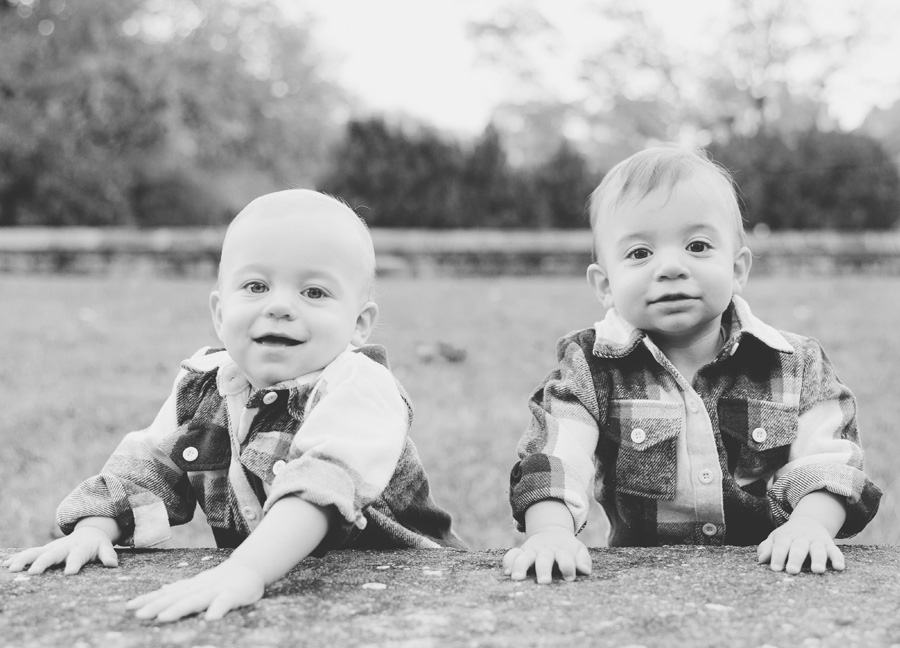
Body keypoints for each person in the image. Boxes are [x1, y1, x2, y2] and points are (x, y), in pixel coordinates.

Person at [4, 189, 464, 620]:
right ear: (221, 314)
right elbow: (146, 468)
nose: (281, 306)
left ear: (359, 324)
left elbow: (321, 487)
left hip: (403, 588)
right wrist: (92, 530)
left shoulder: (361, 387)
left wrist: (246, 569)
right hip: (283, 578)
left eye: (314, 292)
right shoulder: (204, 384)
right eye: (257, 287)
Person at [502, 145, 881, 584]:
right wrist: (550, 533)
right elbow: (555, 458)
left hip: (771, 572)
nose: (671, 267)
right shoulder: (591, 367)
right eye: (640, 253)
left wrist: (810, 526)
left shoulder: (793, 364)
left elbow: (829, 461)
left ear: (737, 268)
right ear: (605, 285)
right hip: (641, 581)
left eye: (697, 246)